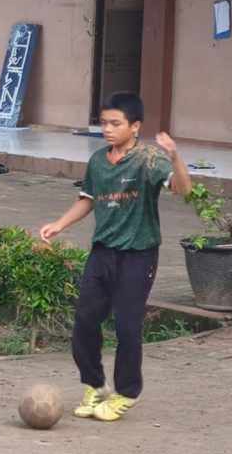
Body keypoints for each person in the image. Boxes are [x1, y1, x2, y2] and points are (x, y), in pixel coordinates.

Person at [40, 92, 192, 422]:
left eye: (115, 123)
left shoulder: (149, 159)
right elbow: (88, 199)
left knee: (126, 326)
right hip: (102, 251)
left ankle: (126, 393)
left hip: (138, 256)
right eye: (103, 123)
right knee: (84, 320)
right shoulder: (97, 161)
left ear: (135, 126)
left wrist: (176, 157)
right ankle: (95, 386)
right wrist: (59, 225)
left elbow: (183, 190)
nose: (107, 129)